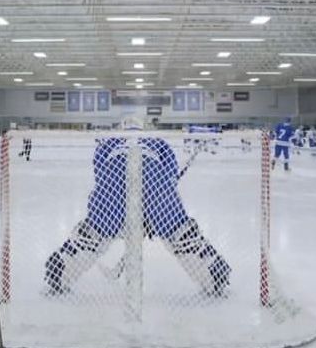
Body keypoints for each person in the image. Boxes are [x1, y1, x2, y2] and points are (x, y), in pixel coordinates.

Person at [44, 118, 231, 298]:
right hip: (155, 182)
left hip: (112, 183)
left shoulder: (110, 141)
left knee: (94, 232)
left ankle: (59, 272)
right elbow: (171, 173)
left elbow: (99, 171)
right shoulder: (156, 141)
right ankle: (214, 275)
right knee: (179, 231)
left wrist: (113, 201)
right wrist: (154, 209)